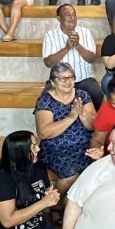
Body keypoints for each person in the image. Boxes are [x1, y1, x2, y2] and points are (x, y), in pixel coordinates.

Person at [35, 63, 98, 198]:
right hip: (56, 149)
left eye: (71, 77)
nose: (68, 82)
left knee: (96, 166)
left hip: (84, 147)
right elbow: (43, 132)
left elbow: (93, 126)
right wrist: (71, 117)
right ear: (53, 82)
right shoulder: (46, 100)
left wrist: (82, 114)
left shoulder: (82, 95)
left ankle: (75, 202)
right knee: (71, 174)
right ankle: (54, 202)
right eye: (62, 78)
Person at [41, 4, 104, 109]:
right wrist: (67, 48)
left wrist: (77, 45)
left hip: (84, 79)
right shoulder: (50, 35)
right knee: (46, 96)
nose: (72, 18)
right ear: (59, 18)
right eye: (67, 15)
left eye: (74, 14)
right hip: (59, 80)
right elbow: (48, 63)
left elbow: (92, 59)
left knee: (96, 92)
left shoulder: (85, 32)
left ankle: (90, 118)